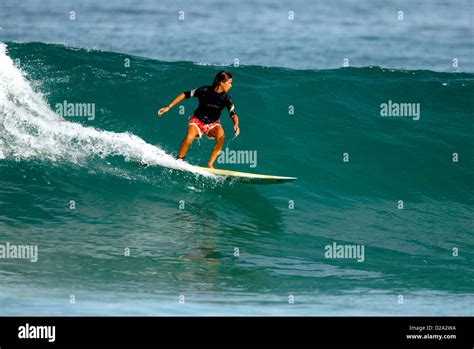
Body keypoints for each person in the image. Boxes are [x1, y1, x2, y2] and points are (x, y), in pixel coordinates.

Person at [158, 70, 240, 169]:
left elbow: (233, 114)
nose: (231, 85)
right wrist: (169, 107)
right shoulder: (204, 90)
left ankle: (210, 164)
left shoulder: (226, 98)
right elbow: (185, 94)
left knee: (221, 136)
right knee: (190, 137)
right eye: (229, 83)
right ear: (221, 82)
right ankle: (179, 159)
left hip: (213, 124)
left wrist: (236, 124)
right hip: (197, 121)